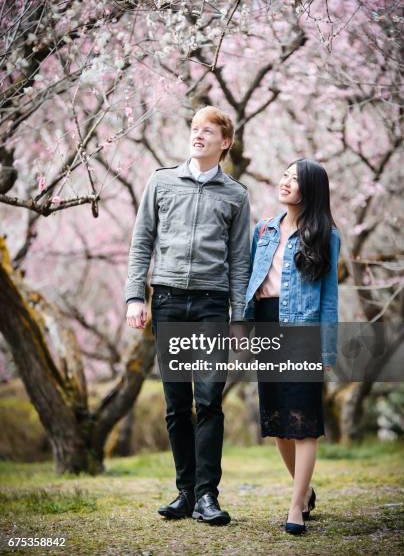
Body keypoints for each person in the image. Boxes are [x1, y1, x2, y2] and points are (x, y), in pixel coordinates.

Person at [125, 106, 250, 525]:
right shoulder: (161, 181)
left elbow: (239, 261)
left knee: (209, 399)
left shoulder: (236, 195)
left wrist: (238, 318)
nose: (198, 135)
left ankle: (207, 496)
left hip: (213, 305)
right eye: (195, 128)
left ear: (225, 142)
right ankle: (185, 492)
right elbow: (141, 241)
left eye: (208, 130)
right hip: (169, 301)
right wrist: (134, 297)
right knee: (177, 403)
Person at [244, 158, 340, 535]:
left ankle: (295, 506)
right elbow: (252, 280)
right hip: (266, 324)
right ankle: (307, 491)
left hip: (303, 331)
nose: (285, 182)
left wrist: (327, 349)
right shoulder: (264, 229)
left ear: (311, 190)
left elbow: (329, 297)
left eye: (295, 179)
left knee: (304, 424)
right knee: (278, 423)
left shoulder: (326, 235)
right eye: (284, 175)